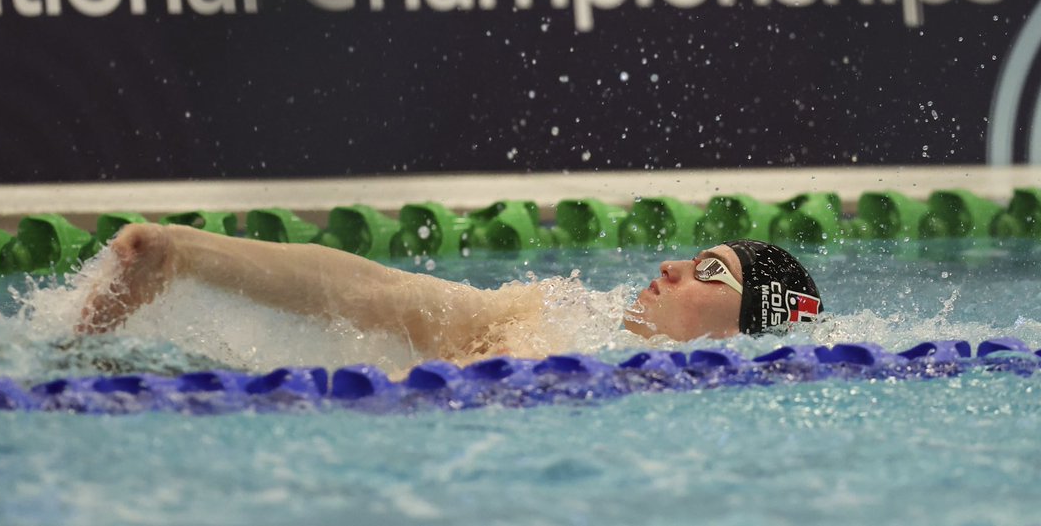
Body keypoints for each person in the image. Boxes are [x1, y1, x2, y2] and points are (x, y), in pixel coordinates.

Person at [75, 223, 822, 363]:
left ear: (745, 330)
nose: (671, 267)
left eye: (710, 274)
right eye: (692, 257)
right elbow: (380, 292)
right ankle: (181, 260)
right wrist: (190, 254)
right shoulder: (563, 309)